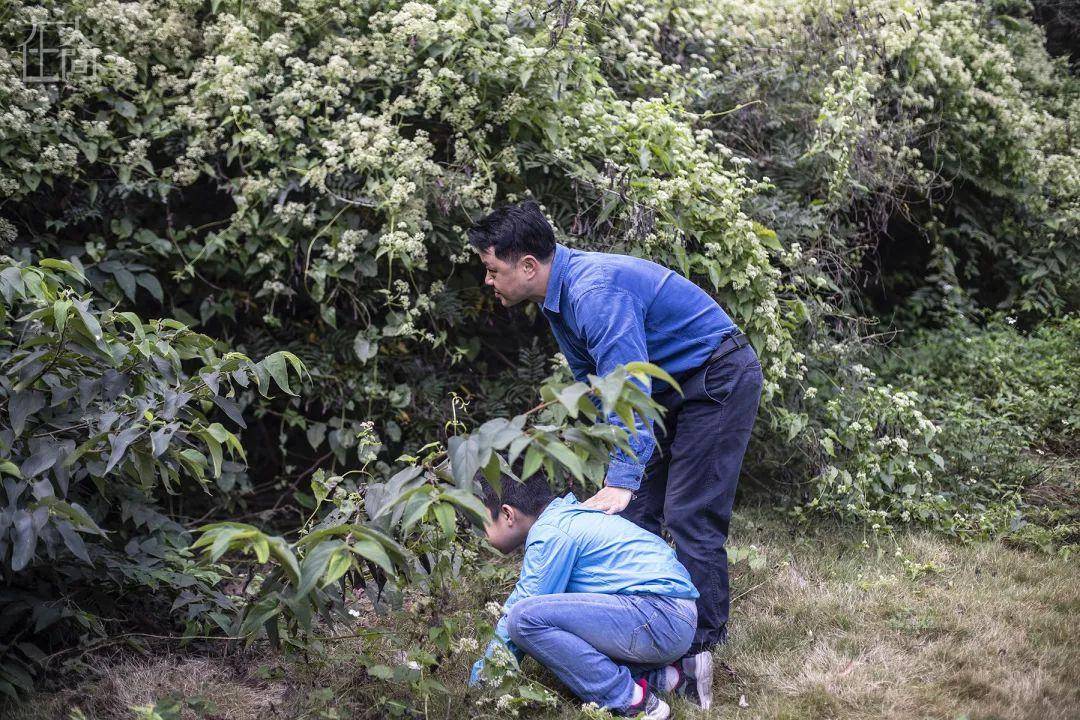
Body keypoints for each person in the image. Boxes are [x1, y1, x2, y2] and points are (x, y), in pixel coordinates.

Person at [467, 199, 764, 709]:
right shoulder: (559, 298)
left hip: (715, 376)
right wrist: (620, 474)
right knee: (639, 514)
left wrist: (623, 477)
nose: (489, 282)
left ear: (529, 265)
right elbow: (608, 392)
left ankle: (698, 652)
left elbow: (628, 388)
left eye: (493, 270)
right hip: (669, 390)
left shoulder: (592, 291)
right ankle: (647, 645)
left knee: (689, 513)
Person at [467, 471, 700, 719]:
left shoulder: (551, 533)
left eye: (482, 525)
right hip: (671, 616)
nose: (483, 536)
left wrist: (484, 679)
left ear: (507, 514)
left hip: (658, 615)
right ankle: (674, 678)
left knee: (522, 619)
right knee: (551, 628)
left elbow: (522, 607)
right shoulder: (568, 516)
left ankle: (632, 701)